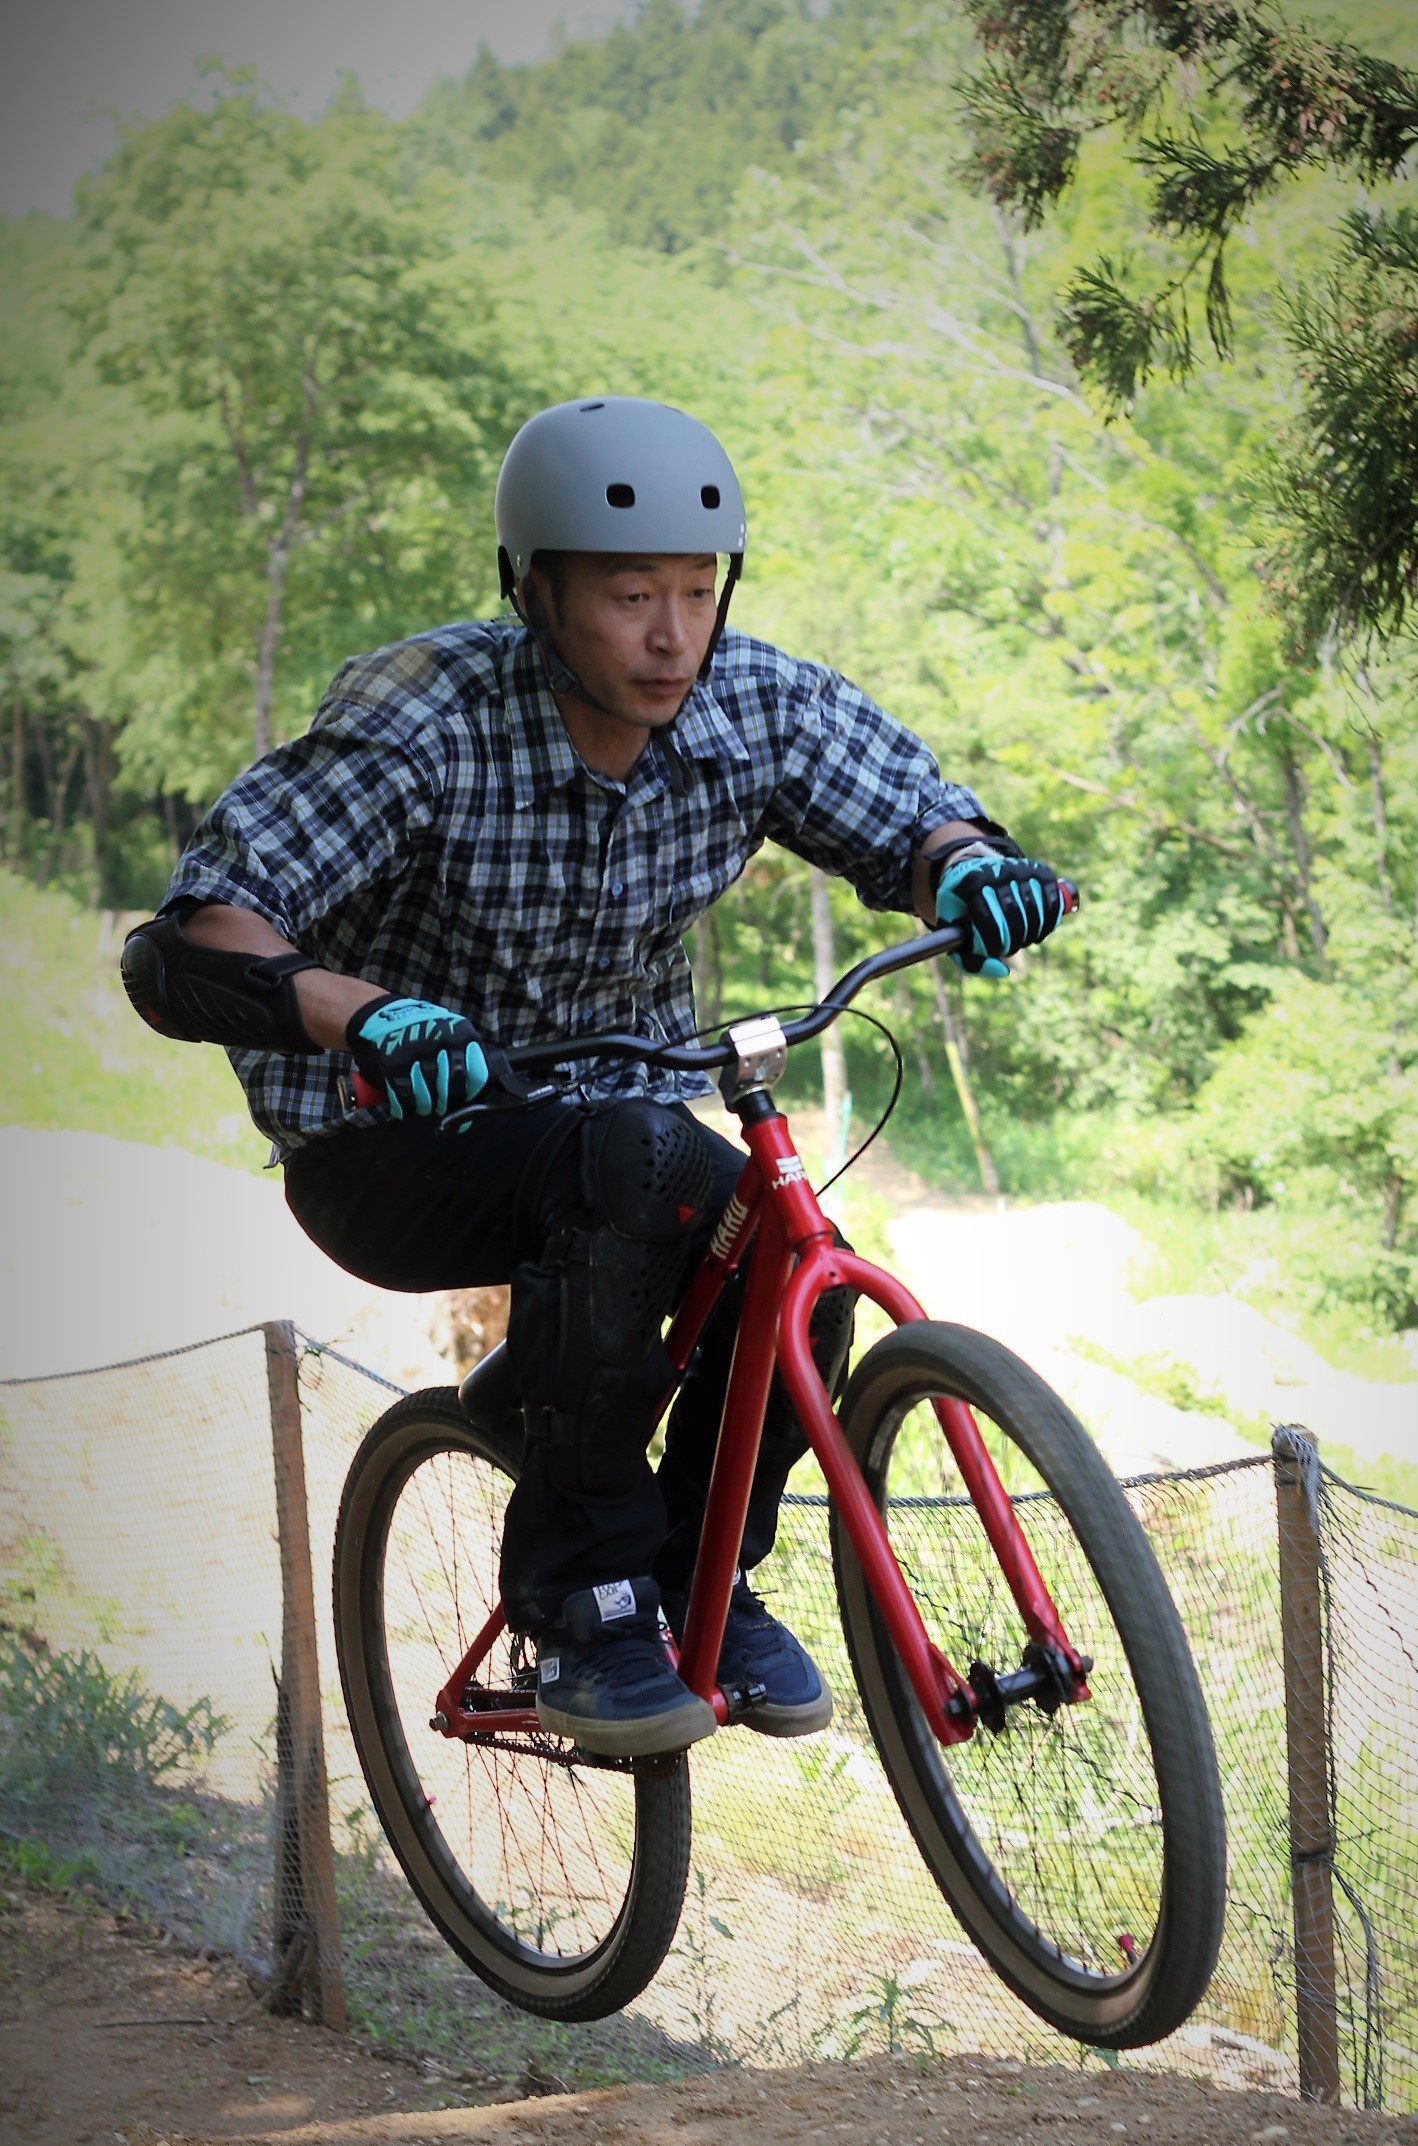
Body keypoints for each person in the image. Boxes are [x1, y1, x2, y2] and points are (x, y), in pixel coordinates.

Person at [122, 397, 1065, 1758]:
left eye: (696, 591)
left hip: (615, 1134)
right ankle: (582, 1599)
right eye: (631, 597)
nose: (672, 635)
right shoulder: (429, 713)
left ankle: (700, 1584)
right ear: (535, 591)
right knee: (627, 1154)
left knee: (790, 1270)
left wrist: (969, 864)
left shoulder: (749, 704)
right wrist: (362, 1016)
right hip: (386, 1142)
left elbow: (908, 808)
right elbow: (196, 931)